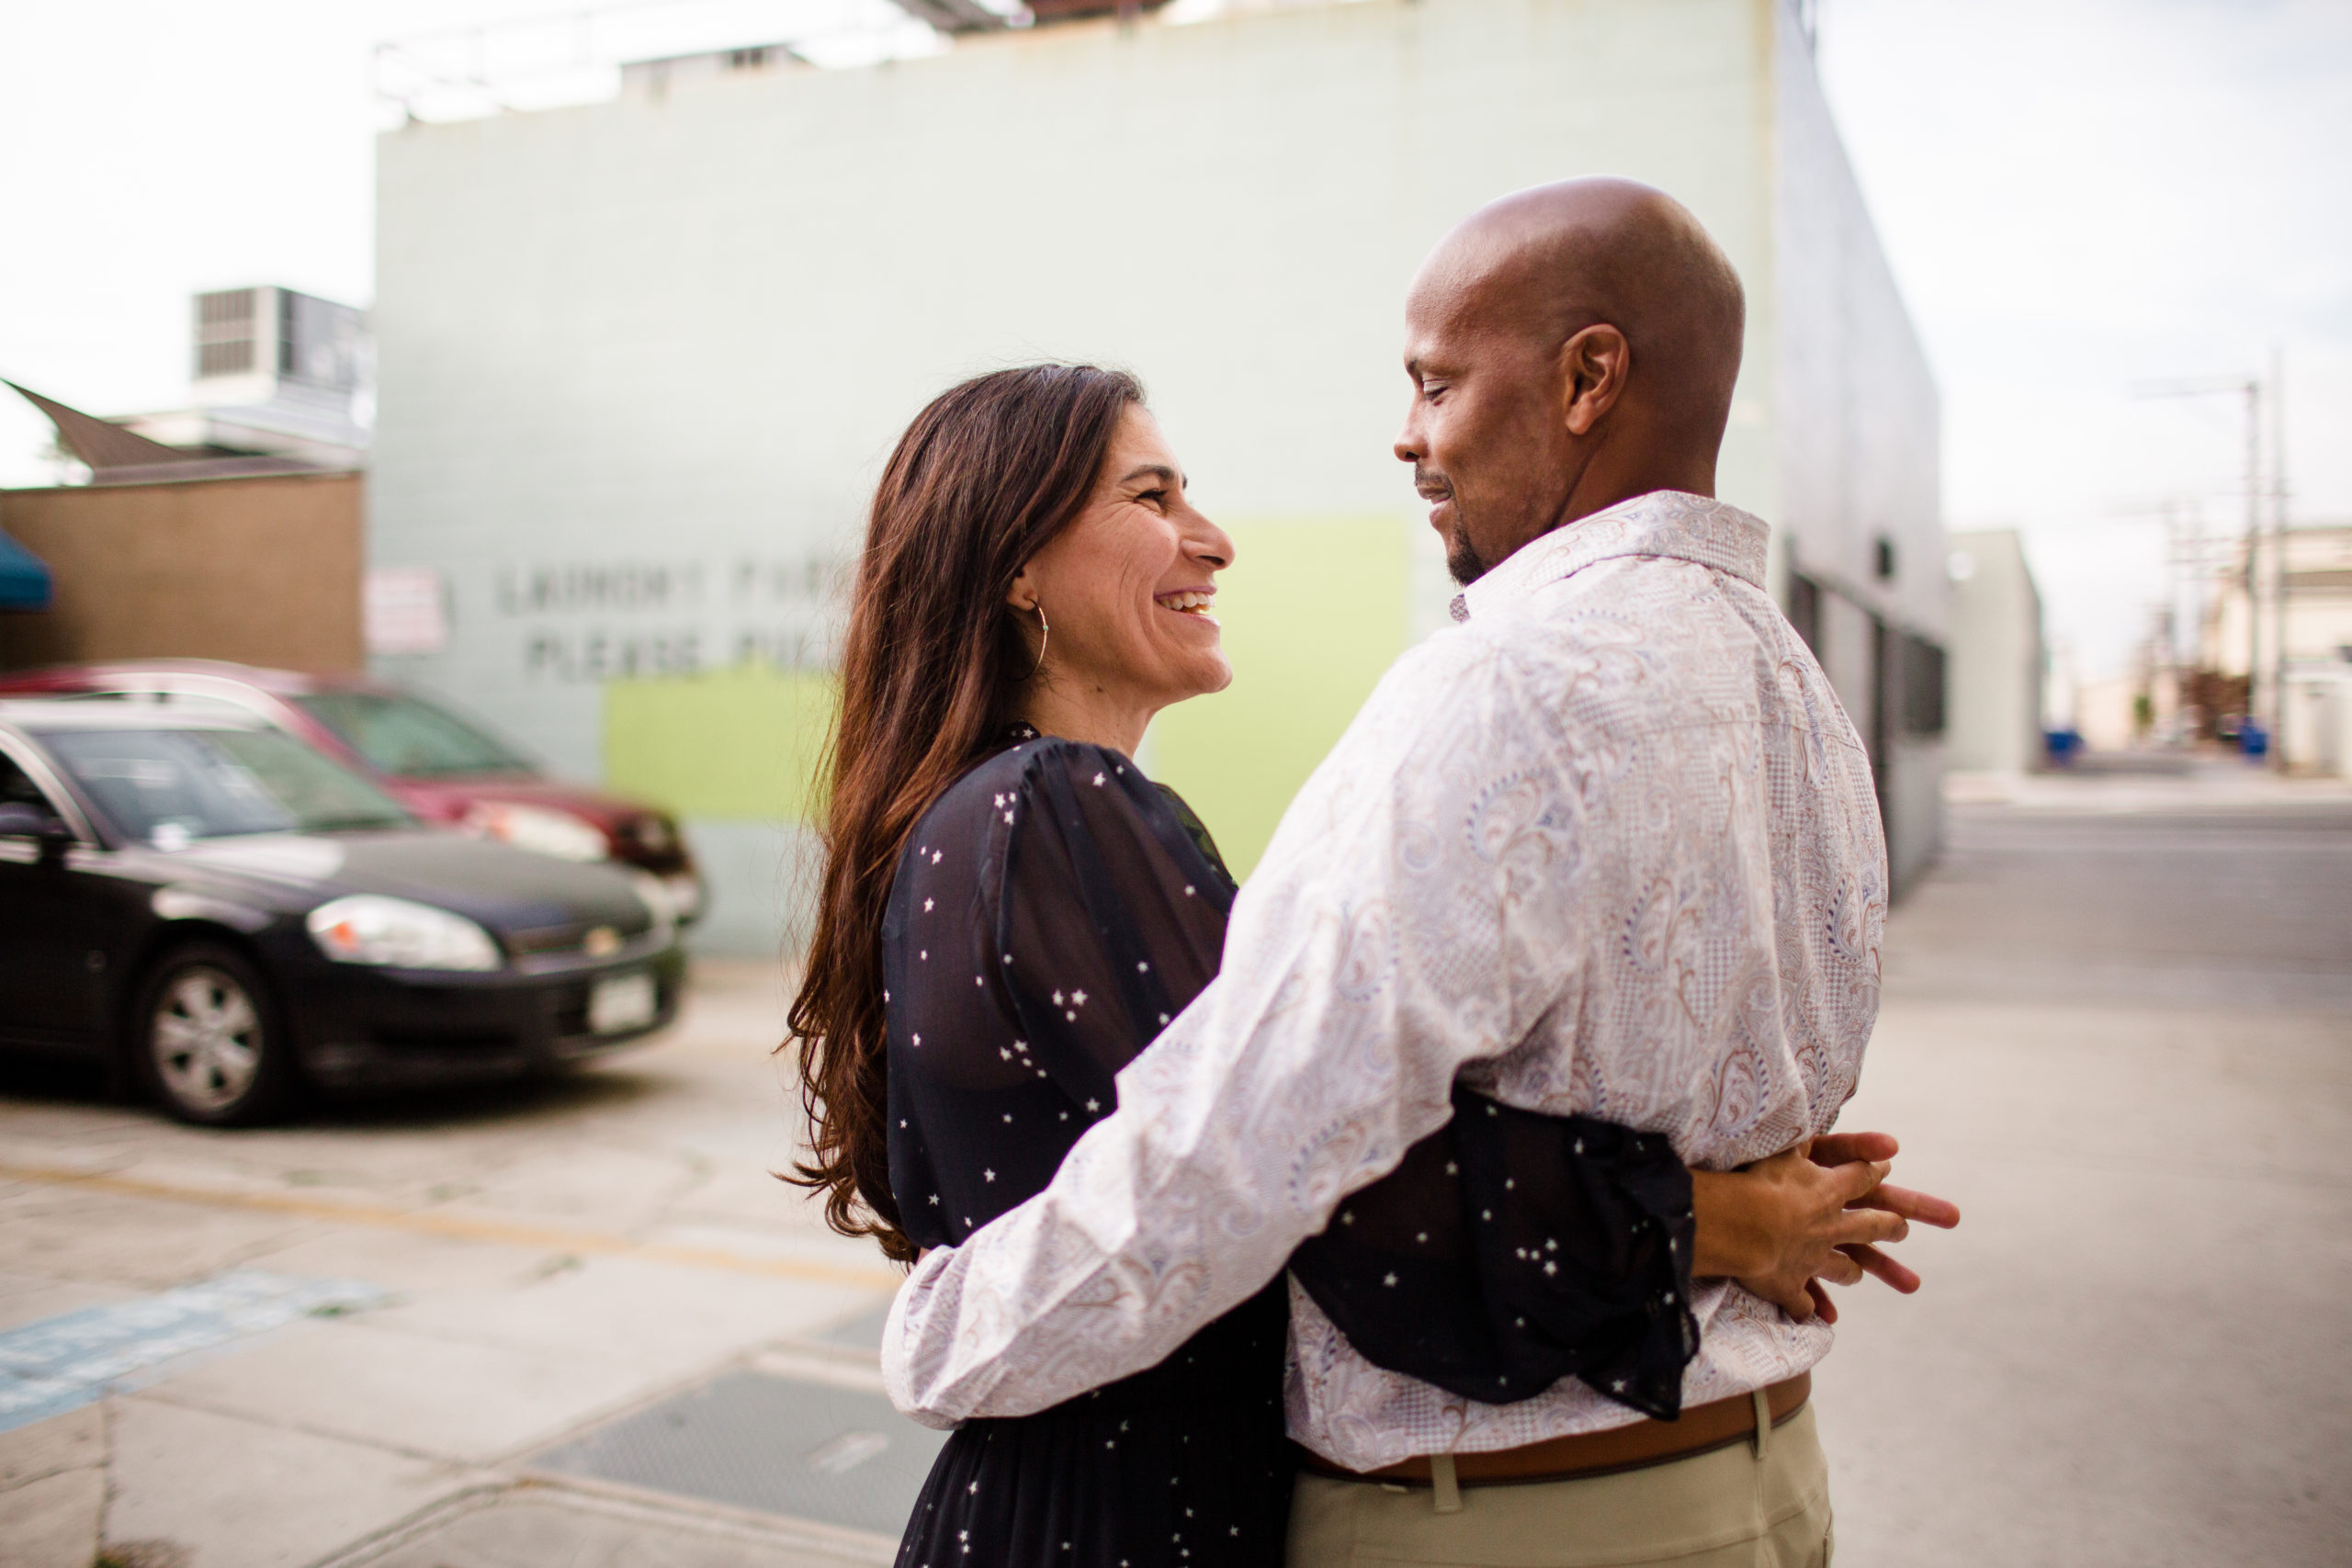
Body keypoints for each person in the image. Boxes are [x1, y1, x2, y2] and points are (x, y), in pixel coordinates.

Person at [875, 180, 1959, 1567]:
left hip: (1514, 1522)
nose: (1408, 436)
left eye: (1436, 384)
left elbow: (1259, 1152)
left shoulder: (1502, 687)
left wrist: (942, 1338)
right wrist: (1725, 1215)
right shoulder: (1799, 689)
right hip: (1767, 1483)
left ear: (1588, 379)